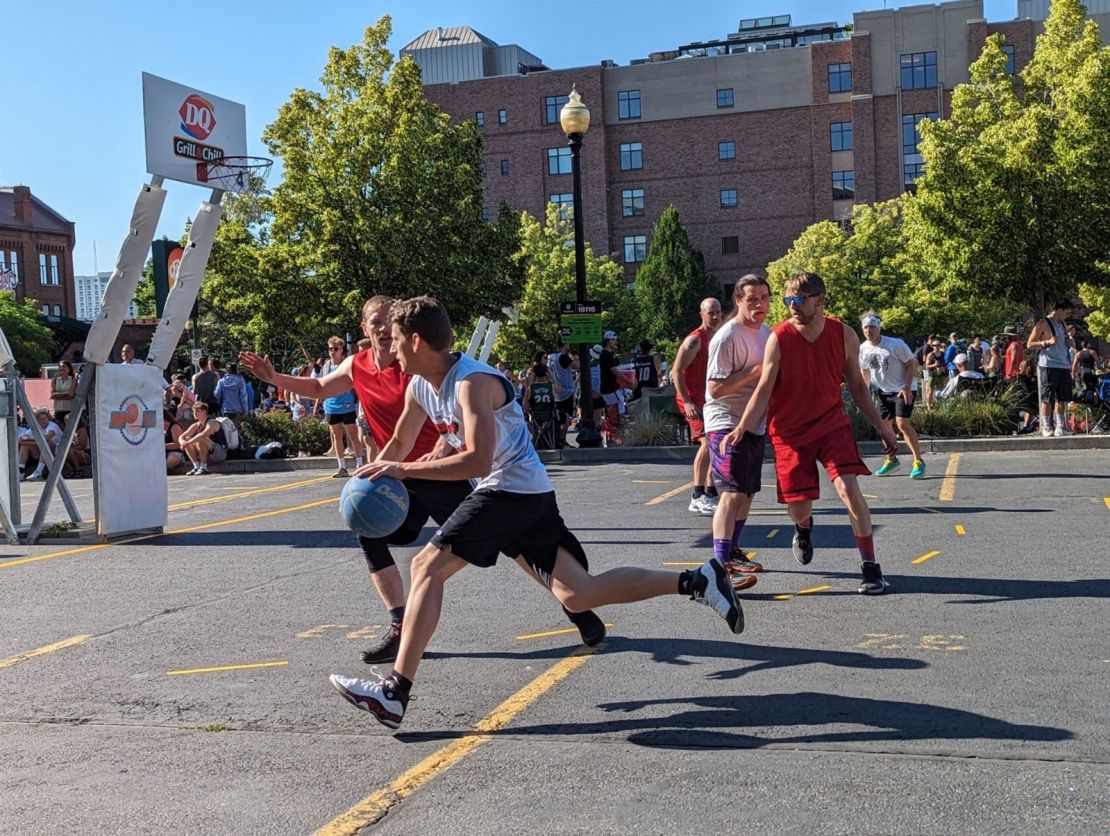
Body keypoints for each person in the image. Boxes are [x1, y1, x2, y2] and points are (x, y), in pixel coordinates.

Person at [328, 296, 744, 729]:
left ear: (416, 341)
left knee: (425, 566)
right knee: (578, 593)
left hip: (508, 490)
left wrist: (402, 468)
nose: (390, 350)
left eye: (396, 341)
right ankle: (698, 580)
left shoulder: (472, 382)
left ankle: (396, 692)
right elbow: (397, 444)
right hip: (527, 495)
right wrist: (371, 477)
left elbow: (477, 460)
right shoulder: (420, 387)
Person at [241, 295, 606, 664]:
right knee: (370, 533)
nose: (384, 328)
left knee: (512, 542)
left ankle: (572, 601)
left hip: (442, 471)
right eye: (375, 321)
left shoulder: (416, 362)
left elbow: (452, 413)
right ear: (363, 329)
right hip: (399, 473)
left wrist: (446, 447)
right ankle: (401, 626)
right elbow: (321, 390)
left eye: (389, 321)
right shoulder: (358, 365)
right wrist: (274, 379)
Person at [722, 273, 899, 596]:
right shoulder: (780, 337)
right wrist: (742, 427)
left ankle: (870, 566)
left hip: (831, 423)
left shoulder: (843, 334)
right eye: (788, 299)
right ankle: (803, 528)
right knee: (799, 507)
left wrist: (881, 426)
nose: (792, 306)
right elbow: (764, 389)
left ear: (820, 300)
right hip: (789, 431)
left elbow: (858, 387)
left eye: (799, 300)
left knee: (848, 489)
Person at [703, 275, 771, 587]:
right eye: (752, 299)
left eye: (764, 298)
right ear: (738, 301)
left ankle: (731, 553)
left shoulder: (767, 334)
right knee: (730, 493)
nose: (759, 304)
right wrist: (752, 374)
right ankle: (719, 568)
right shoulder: (727, 336)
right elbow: (715, 389)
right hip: (724, 422)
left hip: (753, 421)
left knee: (746, 493)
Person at [858, 312, 926, 479]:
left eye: (872, 327)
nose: (869, 330)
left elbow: (911, 363)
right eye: (866, 327)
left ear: (879, 328)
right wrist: (864, 393)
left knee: (902, 423)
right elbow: (865, 371)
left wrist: (907, 386)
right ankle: (892, 459)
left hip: (903, 388)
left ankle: (918, 461)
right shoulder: (863, 348)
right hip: (883, 391)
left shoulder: (895, 344)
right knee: (883, 426)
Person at [672, 297, 723, 515]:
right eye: (710, 312)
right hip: (693, 401)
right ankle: (697, 495)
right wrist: (687, 400)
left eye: (718, 312)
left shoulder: (718, 338)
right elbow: (676, 371)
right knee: (706, 444)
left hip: (710, 401)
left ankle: (710, 493)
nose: (715, 316)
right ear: (701, 314)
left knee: (715, 443)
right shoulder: (695, 340)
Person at [1026, 300, 1075, 436]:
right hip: (1048, 365)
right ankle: (1047, 426)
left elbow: (1064, 341)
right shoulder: (1043, 323)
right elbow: (1029, 344)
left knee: (1062, 398)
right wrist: (1046, 342)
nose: (1067, 316)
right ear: (1059, 310)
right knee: (1047, 397)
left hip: (1063, 364)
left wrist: (1069, 343)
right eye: (1067, 313)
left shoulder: (1063, 324)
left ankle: (1060, 426)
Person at [320, 336, 365, 478]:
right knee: (336, 436)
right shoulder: (326, 366)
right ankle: (342, 467)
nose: (332, 352)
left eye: (335, 349)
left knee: (352, 435)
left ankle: (359, 465)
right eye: (330, 349)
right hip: (331, 405)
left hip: (347, 404)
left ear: (342, 351)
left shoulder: (347, 364)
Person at [177, 402, 228, 475]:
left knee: (200, 439)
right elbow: (182, 436)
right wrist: (183, 442)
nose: (194, 413)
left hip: (219, 453)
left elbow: (203, 435)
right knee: (187, 439)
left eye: (197, 411)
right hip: (206, 453)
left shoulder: (212, 423)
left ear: (204, 412)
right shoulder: (196, 425)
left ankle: (204, 467)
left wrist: (187, 443)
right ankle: (196, 466)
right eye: (194, 411)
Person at [547, 340, 577, 448]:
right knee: (566, 418)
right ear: (566, 344)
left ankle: (559, 439)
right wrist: (575, 359)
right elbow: (577, 367)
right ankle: (562, 439)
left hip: (556, 390)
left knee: (559, 417)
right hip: (566, 390)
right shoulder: (564, 357)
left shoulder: (550, 357)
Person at [19, 408, 63, 481]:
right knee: (25, 445)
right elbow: (22, 438)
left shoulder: (53, 426)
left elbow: (47, 437)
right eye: (40, 419)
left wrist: (31, 439)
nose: (43, 421)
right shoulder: (36, 427)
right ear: (37, 421)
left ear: (48, 418)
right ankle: (20, 472)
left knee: (45, 443)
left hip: (57, 452)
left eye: (45, 418)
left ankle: (38, 472)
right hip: (41, 452)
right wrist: (31, 439)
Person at [51, 360, 77, 428]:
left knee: (70, 429)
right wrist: (66, 393)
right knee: (60, 429)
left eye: (64, 366)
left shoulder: (73, 379)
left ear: (69, 368)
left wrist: (57, 395)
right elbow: (52, 395)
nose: (61, 368)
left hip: (69, 409)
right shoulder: (55, 380)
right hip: (58, 409)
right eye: (60, 366)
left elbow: (71, 394)